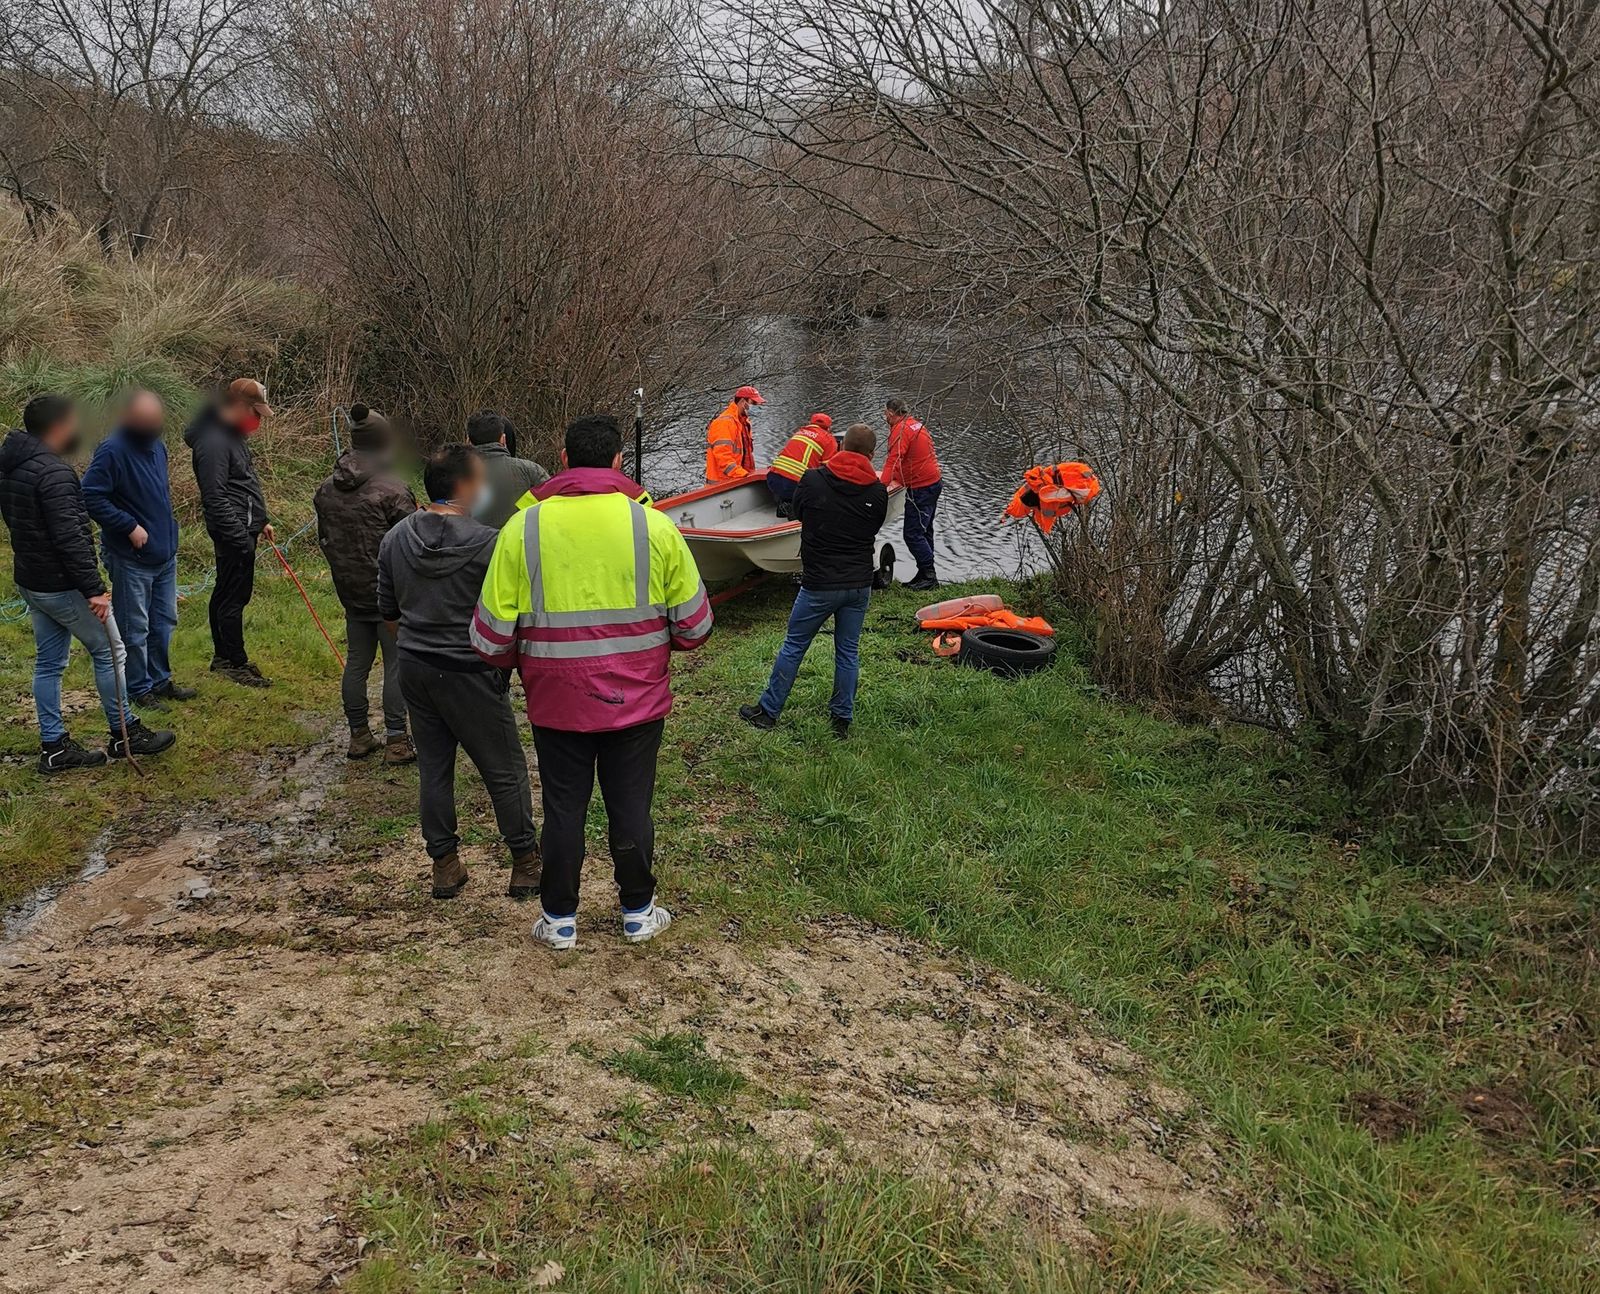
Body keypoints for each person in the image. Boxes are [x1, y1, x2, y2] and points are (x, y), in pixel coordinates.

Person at [472, 414, 712, 951]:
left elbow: (489, 639)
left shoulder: (522, 529)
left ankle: (559, 922)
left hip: (557, 703)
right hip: (637, 702)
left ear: (562, 459)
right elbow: (695, 627)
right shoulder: (654, 526)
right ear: (617, 462)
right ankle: (637, 913)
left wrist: (530, 659)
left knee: (563, 810)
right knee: (630, 807)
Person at [377, 445, 540, 901]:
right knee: (503, 769)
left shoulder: (396, 538)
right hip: (471, 670)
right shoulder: (490, 543)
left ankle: (445, 866)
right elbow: (512, 615)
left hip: (415, 666)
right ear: (465, 486)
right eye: (480, 479)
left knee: (434, 767)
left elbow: (388, 612)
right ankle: (526, 863)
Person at [0, 394, 175, 771]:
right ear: (58, 426)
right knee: (112, 651)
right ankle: (126, 733)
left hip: (33, 581)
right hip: (63, 585)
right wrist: (94, 589)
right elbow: (71, 538)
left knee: (49, 663)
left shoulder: (13, 466)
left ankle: (54, 747)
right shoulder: (54, 473)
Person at [739, 422, 887, 740]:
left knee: (794, 645)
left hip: (820, 582)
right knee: (848, 650)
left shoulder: (813, 479)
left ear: (840, 447)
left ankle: (768, 712)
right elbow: (873, 526)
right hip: (859, 582)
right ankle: (841, 720)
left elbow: (799, 512)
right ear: (872, 455)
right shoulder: (877, 491)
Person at [314, 403, 418, 763]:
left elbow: (323, 537)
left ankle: (358, 735)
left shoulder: (326, 489)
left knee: (357, 662)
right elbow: (414, 542)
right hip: (390, 593)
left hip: (350, 590)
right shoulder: (393, 489)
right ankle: (396, 740)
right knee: (396, 664)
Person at [81, 388, 195, 710]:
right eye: (147, 421)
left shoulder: (157, 446)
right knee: (135, 627)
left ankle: (160, 681)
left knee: (164, 620)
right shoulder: (112, 451)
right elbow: (89, 495)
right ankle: (138, 688)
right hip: (131, 558)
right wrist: (128, 525)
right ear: (128, 418)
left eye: (157, 420)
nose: (154, 426)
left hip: (164, 554)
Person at [185, 377, 274, 686]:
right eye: (256, 412)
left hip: (244, 527)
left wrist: (261, 521)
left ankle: (227, 657)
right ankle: (233, 662)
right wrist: (239, 536)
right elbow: (215, 496)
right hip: (232, 532)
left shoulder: (232, 436)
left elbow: (243, 484)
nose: (258, 419)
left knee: (229, 593)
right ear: (238, 406)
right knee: (232, 598)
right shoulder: (213, 442)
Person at [881, 397, 943, 590]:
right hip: (933, 482)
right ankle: (925, 572)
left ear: (891, 413)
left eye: (885, 413)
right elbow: (911, 458)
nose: (885, 417)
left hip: (921, 487)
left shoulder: (900, 431)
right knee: (925, 531)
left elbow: (894, 459)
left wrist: (880, 485)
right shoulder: (916, 425)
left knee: (912, 534)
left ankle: (929, 576)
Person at [466, 409, 549, 528]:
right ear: (503, 439)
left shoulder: (456, 475)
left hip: (472, 545)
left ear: (468, 441)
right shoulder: (531, 471)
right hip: (520, 543)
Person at [765, 412, 836, 516]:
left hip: (772, 479)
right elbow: (830, 469)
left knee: (788, 490)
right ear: (828, 428)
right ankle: (795, 513)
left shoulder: (799, 432)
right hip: (794, 484)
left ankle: (785, 506)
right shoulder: (828, 439)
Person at [704, 385, 763, 482]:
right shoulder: (724, 423)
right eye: (754, 403)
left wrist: (746, 475)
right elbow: (723, 457)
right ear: (743, 402)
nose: (756, 406)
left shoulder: (743, 422)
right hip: (722, 484)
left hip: (737, 479)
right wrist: (742, 474)